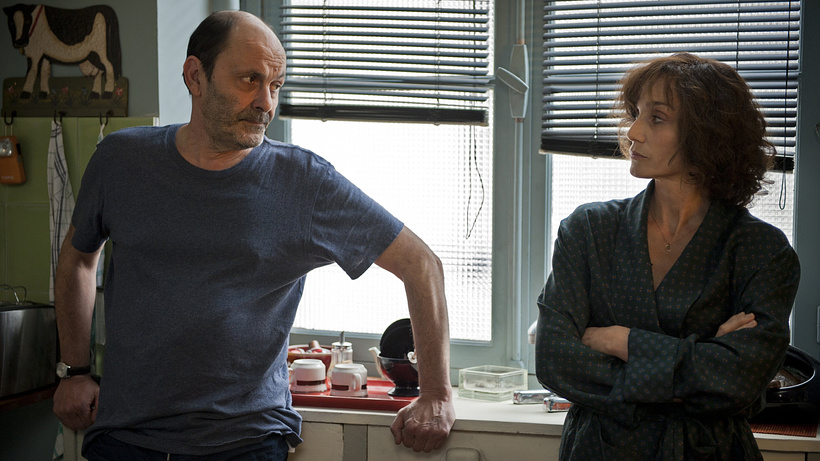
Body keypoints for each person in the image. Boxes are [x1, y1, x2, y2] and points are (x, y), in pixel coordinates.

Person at [52, 10, 454, 459]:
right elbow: (79, 258)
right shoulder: (120, 160)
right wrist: (74, 371)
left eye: (276, 85)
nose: (266, 102)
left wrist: (436, 394)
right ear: (195, 76)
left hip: (246, 441)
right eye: (250, 80)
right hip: (125, 438)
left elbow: (421, 264)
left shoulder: (304, 182)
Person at [535, 52, 801, 460]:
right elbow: (556, 360)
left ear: (707, 135)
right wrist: (702, 358)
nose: (633, 132)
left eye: (657, 118)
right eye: (636, 114)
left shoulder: (761, 250)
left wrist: (622, 341)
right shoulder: (589, 230)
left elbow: (740, 382)